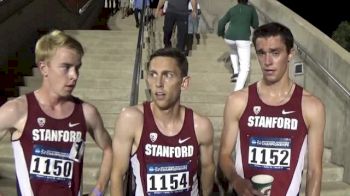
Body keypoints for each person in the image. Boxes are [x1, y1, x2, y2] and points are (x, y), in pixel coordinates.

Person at [0, 30, 113, 195]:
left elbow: (109, 149)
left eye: (77, 68)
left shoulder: (87, 113)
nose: (74, 76)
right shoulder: (17, 109)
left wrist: (99, 190)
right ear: (44, 68)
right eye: (66, 67)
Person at [219, 22, 325, 196]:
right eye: (261, 53)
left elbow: (315, 171)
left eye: (275, 53)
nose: (267, 62)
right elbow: (224, 155)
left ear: (290, 54)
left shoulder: (312, 106)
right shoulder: (238, 100)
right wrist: (237, 181)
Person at [111, 47, 215, 195]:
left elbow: (208, 169)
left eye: (168, 75)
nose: (158, 83)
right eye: (153, 74)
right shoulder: (132, 119)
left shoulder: (200, 126)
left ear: (184, 83)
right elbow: (117, 175)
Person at [217, 0, 259, 91]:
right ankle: (237, 91)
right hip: (243, 39)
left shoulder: (232, 9)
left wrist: (221, 33)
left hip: (229, 38)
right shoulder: (251, 9)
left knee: (233, 51)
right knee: (245, 67)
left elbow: (221, 22)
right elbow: (255, 24)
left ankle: (236, 73)